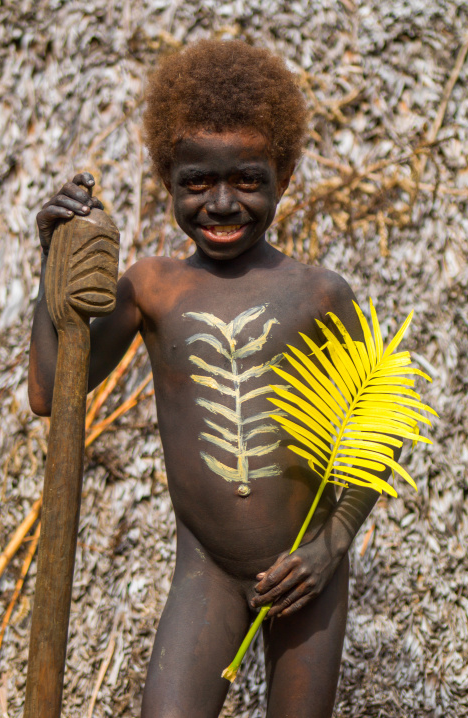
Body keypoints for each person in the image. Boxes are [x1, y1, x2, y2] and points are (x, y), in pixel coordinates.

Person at [29, 39, 392, 718]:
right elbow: (53, 393)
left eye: (248, 180)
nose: (221, 203)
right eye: (196, 181)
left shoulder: (319, 294)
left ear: (285, 172)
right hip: (207, 571)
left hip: (307, 572)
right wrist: (53, 270)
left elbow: (383, 423)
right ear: (168, 176)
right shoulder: (152, 287)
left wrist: (329, 546)